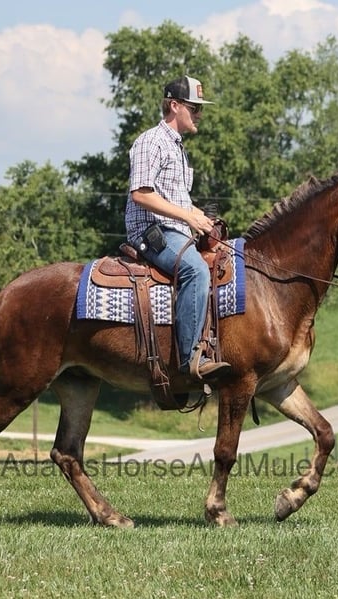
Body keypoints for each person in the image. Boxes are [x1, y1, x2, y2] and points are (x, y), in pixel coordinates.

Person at [125, 75, 232, 381]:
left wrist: (201, 219)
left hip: (174, 230)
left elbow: (176, 199)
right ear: (174, 106)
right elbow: (141, 194)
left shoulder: (176, 147)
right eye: (194, 108)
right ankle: (190, 359)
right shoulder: (151, 141)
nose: (200, 114)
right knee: (196, 271)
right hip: (151, 232)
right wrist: (188, 217)